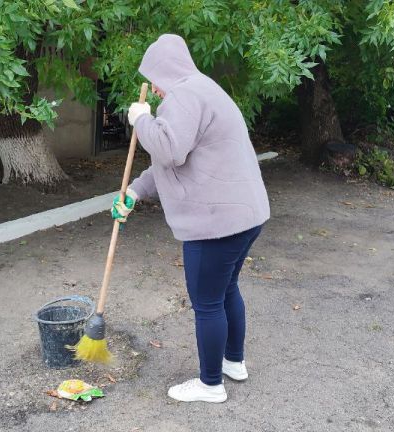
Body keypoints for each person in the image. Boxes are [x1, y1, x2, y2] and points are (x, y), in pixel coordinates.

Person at [112, 34, 270, 403]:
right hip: (245, 216)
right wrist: (134, 192)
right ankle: (234, 362)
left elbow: (167, 150)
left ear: (165, 70)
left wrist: (142, 120)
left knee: (208, 301)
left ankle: (210, 384)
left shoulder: (184, 95)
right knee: (225, 289)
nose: (152, 87)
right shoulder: (204, 89)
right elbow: (175, 161)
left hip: (217, 223)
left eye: (153, 77)